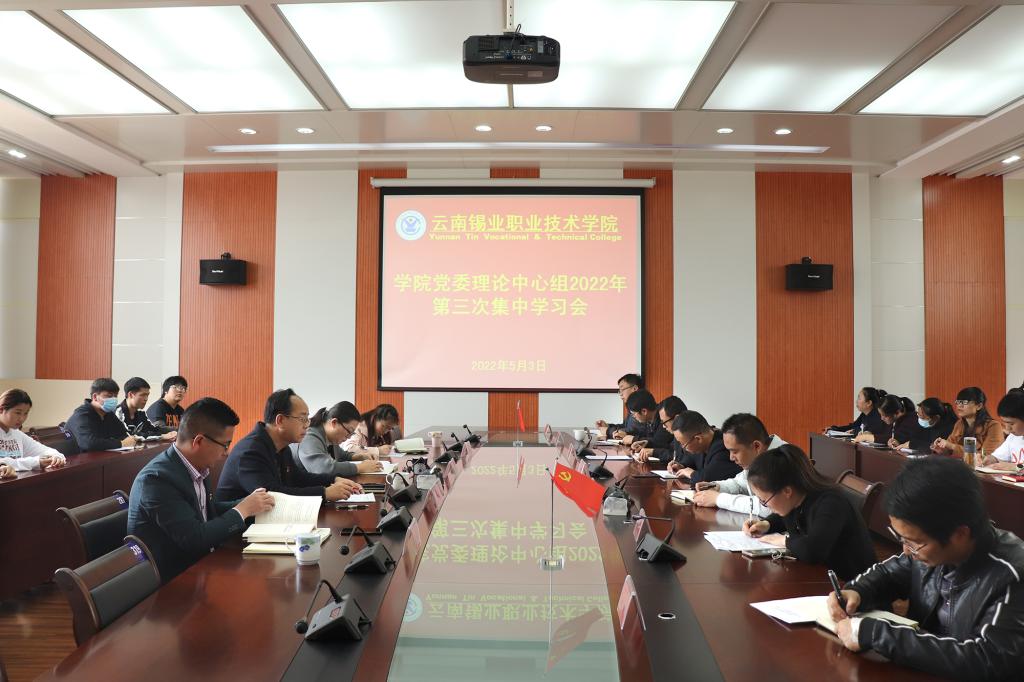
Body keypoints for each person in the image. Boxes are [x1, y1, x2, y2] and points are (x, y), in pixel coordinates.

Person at [827, 457, 1024, 679]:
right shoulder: (926, 554)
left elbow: (988, 659)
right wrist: (857, 591)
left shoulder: (1012, 574)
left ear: (959, 534)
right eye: (901, 538)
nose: (906, 551)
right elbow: (887, 574)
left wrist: (877, 634)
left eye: (914, 542)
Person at [128, 397, 276, 583]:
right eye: (225, 444)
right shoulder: (156, 480)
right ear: (198, 441)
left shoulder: (195, 465)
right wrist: (242, 510)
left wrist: (252, 504)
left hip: (198, 567)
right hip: (172, 581)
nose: (226, 452)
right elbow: (195, 539)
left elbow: (207, 510)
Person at [743, 444, 874, 580]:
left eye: (764, 500)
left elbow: (813, 551)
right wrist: (766, 524)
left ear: (787, 491)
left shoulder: (831, 503)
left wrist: (783, 541)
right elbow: (784, 516)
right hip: (821, 576)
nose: (765, 505)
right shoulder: (798, 497)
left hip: (851, 584)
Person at [215, 389, 361, 502]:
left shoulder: (281, 446)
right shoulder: (251, 451)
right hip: (242, 529)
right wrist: (325, 493)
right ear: (280, 421)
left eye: (307, 419)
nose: (307, 425)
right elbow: (272, 495)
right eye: (302, 419)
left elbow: (298, 478)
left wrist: (333, 479)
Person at [692, 413, 786, 516]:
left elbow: (768, 507)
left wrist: (718, 499)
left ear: (756, 446)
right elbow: (740, 484)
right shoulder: (757, 457)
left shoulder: (783, 460)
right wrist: (717, 487)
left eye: (734, 451)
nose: (731, 457)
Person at [296, 401, 384, 476]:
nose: (349, 437)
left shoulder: (330, 438)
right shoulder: (309, 436)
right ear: (334, 422)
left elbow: (341, 455)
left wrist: (360, 456)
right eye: (349, 431)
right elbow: (323, 468)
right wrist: (360, 467)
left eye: (352, 433)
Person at [0, 389, 66, 477]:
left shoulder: (17, 434)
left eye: (26, 413)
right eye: (18, 413)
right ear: (1, 410)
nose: (22, 418)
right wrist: (36, 462)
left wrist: (56, 457)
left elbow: (46, 450)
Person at [666, 411, 741, 485]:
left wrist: (691, 474)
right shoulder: (700, 445)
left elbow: (709, 477)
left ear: (698, 439)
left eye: (683, 444)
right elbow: (691, 459)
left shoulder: (723, 446)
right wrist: (681, 466)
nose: (683, 448)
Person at [65, 378, 140, 451]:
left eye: (115, 396)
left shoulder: (108, 414)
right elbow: (88, 443)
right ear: (95, 397)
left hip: (99, 456)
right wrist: (121, 443)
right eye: (109, 396)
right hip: (77, 456)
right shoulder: (82, 414)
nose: (114, 400)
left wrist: (131, 439)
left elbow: (123, 434)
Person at [932, 387, 1004, 458]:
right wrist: (941, 449)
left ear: (979, 406)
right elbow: (949, 449)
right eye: (958, 402)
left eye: (964, 402)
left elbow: (985, 456)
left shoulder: (994, 426)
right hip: (959, 463)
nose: (959, 405)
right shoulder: (959, 424)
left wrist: (952, 446)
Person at [116, 377, 176, 441]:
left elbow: (153, 429)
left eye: (147, 395)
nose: (146, 399)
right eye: (142, 395)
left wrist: (173, 432)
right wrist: (161, 436)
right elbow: (130, 436)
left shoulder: (141, 414)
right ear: (130, 395)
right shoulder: (117, 412)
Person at [631, 395, 687, 463]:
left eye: (664, 422)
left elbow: (678, 457)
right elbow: (670, 450)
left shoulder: (689, 435)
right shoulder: (678, 434)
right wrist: (648, 443)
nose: (663, 426)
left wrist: (654, 452)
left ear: (676, 419)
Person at [980, 389, 1024, 471]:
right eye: (1004, 423)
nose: (1007, 428)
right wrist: (988, 459)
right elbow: (997, 457)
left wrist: (1015, 467)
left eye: (1011, 424)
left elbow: (1015, 467)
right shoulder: (1013, 437)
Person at [595, 373, 643, 439]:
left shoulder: (641, 405)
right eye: (619, 391)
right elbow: (625, 427)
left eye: (622, 389)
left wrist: (608, 431)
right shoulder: (631, 406)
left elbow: (633, 432)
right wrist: (608, 426)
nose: (620, 394)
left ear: (634, 388)